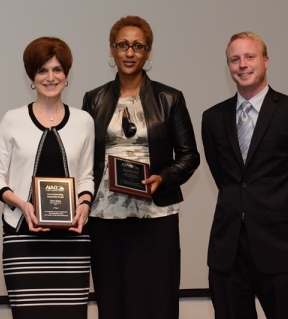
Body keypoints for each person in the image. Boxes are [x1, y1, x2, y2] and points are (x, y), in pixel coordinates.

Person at [82, 16, 200, 319]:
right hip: (104, 217)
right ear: (112, 50)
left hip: (155, 216)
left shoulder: (170, 98)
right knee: (112, 299)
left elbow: (189, 156)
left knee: (156, 300)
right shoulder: (94, 99)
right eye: (122, 45)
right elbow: (83, 157)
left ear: (148, 52)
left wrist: (164, 177)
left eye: (137, 46)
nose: (130, 52)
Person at [201, 31, 288, 319]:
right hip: (228, 250)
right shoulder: (213, 117)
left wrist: (277, 207)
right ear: (228, 66)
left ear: (265, 61)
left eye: (249, 56)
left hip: (280, 245)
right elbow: (224, 177)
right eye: (234, 59)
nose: (242, 64)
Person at [0, 36, 95, 319]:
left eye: (57, 69)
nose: (50, 77)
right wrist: (22, 205)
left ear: (67, 74)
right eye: (42, 70)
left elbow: (87, 177)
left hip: (72, 240)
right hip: (23, 237)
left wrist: (84, 204)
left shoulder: (84, 121)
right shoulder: (13, 119)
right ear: (32, 76)